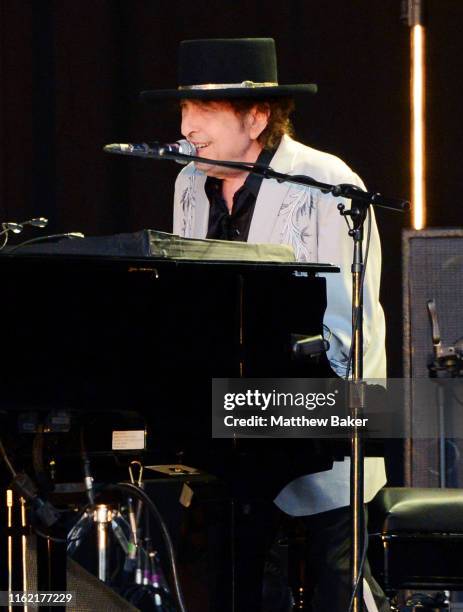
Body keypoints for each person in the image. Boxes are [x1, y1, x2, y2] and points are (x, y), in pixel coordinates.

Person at [141, 38, 389, 611]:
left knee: (334, 582)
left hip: (317, 416)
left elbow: (349, 320)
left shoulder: (329, 183)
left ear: (256, 118)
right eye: (183, 110)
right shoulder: (187, 182)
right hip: (225, 423)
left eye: (204, 112)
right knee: (238, 578)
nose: (187, 128)